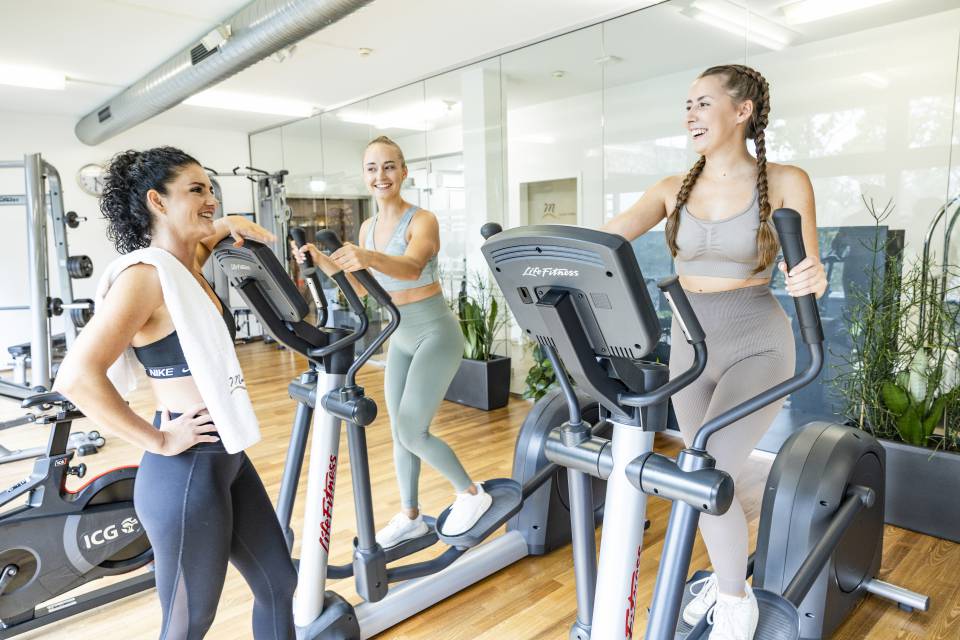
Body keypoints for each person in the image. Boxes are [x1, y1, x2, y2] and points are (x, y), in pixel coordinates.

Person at [604, 65, 827, 640]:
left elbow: (808, 260)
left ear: (742, 110)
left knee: (711, 472)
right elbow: (603, 240)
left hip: (755, 340)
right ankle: (732, 580)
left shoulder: (784, 180)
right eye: (687, 105)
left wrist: (811, 274)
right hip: (689, 348)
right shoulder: (668, 188)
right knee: (697, 481)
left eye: (703, 103)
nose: (690, 115)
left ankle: (734, 604)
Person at [54, 147, 297, 639]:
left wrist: (227, 221)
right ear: (156, 201)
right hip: (185, 469)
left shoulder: (186, 266)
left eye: (210, 188)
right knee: (187, 624)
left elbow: (206, 234)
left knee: (278, 581)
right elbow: (79, 376)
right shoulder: (145, 277)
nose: (209, 199)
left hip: (224, 453)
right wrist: (159, 440)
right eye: (195, 189)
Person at [293, 136, 492, 547]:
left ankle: (472, 493)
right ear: (365, 176)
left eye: (388, 166)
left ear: (404, 172)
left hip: (435, 333)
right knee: (401, 433)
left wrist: (366, 257)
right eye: (372, 168)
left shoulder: (423, 220)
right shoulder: (367, 228)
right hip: (397, 335)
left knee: (412, 430)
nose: (380, 175)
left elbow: (411, 265)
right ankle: (410, 515)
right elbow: (361, 287)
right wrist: (319, 260)